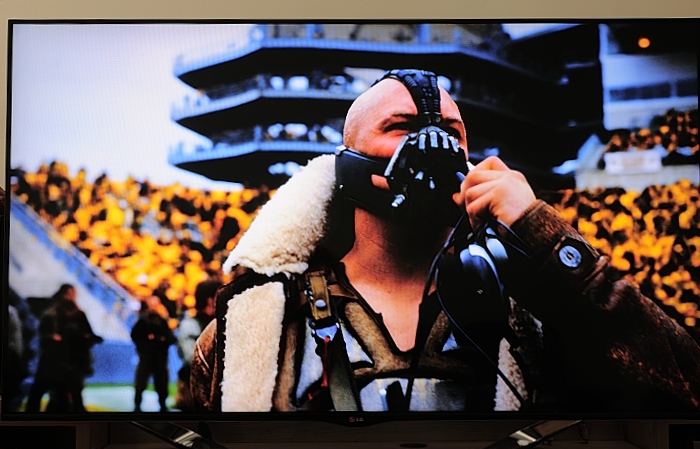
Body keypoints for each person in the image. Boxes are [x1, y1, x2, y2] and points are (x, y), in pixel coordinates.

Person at [190, 69, 700, 413]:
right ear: (346, 166)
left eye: (451, 133)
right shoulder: (257, 321)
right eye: (402, 127)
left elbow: (682, 390)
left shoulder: (535, 307)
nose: (432, 144)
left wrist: (546, 237)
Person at [26, 284, 103, 413]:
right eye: (67, 294)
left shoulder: (79, 316)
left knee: (68, 398)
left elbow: (88, 336)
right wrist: (52, 338)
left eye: (72, 294)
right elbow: (42, 335)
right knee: (39, 393)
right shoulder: (51, 315)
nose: (70, 297)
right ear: (61, 295)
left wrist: (89, 338)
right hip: (51, 362)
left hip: (72, 363)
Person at [175, 278, 221, 411]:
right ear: (210, 301)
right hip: (193, 390)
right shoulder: (190, 326)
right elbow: (191, 359)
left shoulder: (217, 322)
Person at [131, 296, 176, 412]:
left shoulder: (162, 321)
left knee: (161, 383)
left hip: (160, 359)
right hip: (146, 357)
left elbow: (171, 338)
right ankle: (137, 405)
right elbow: (135, 336)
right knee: (141, 382)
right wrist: (146, 344)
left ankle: (162, 405)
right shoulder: (143, 321)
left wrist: (159, 339)